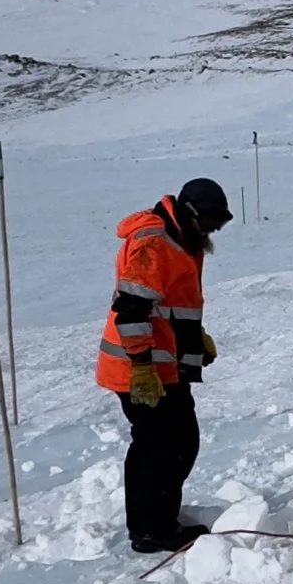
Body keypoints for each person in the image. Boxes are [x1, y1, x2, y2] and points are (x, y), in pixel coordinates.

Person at [95, 175, 233, 553]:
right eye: (210, 221)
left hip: (163, 366)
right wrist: (141, 365)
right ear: (189, 213)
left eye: (220, 223)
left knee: (180, 441)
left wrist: (193, 338)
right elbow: (131, 310)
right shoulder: (155, 243)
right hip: (139, 367)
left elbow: (173, 302)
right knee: (159, 446)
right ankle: (150, 530)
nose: (214, 230)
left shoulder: (183, 240)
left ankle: (159, 517)